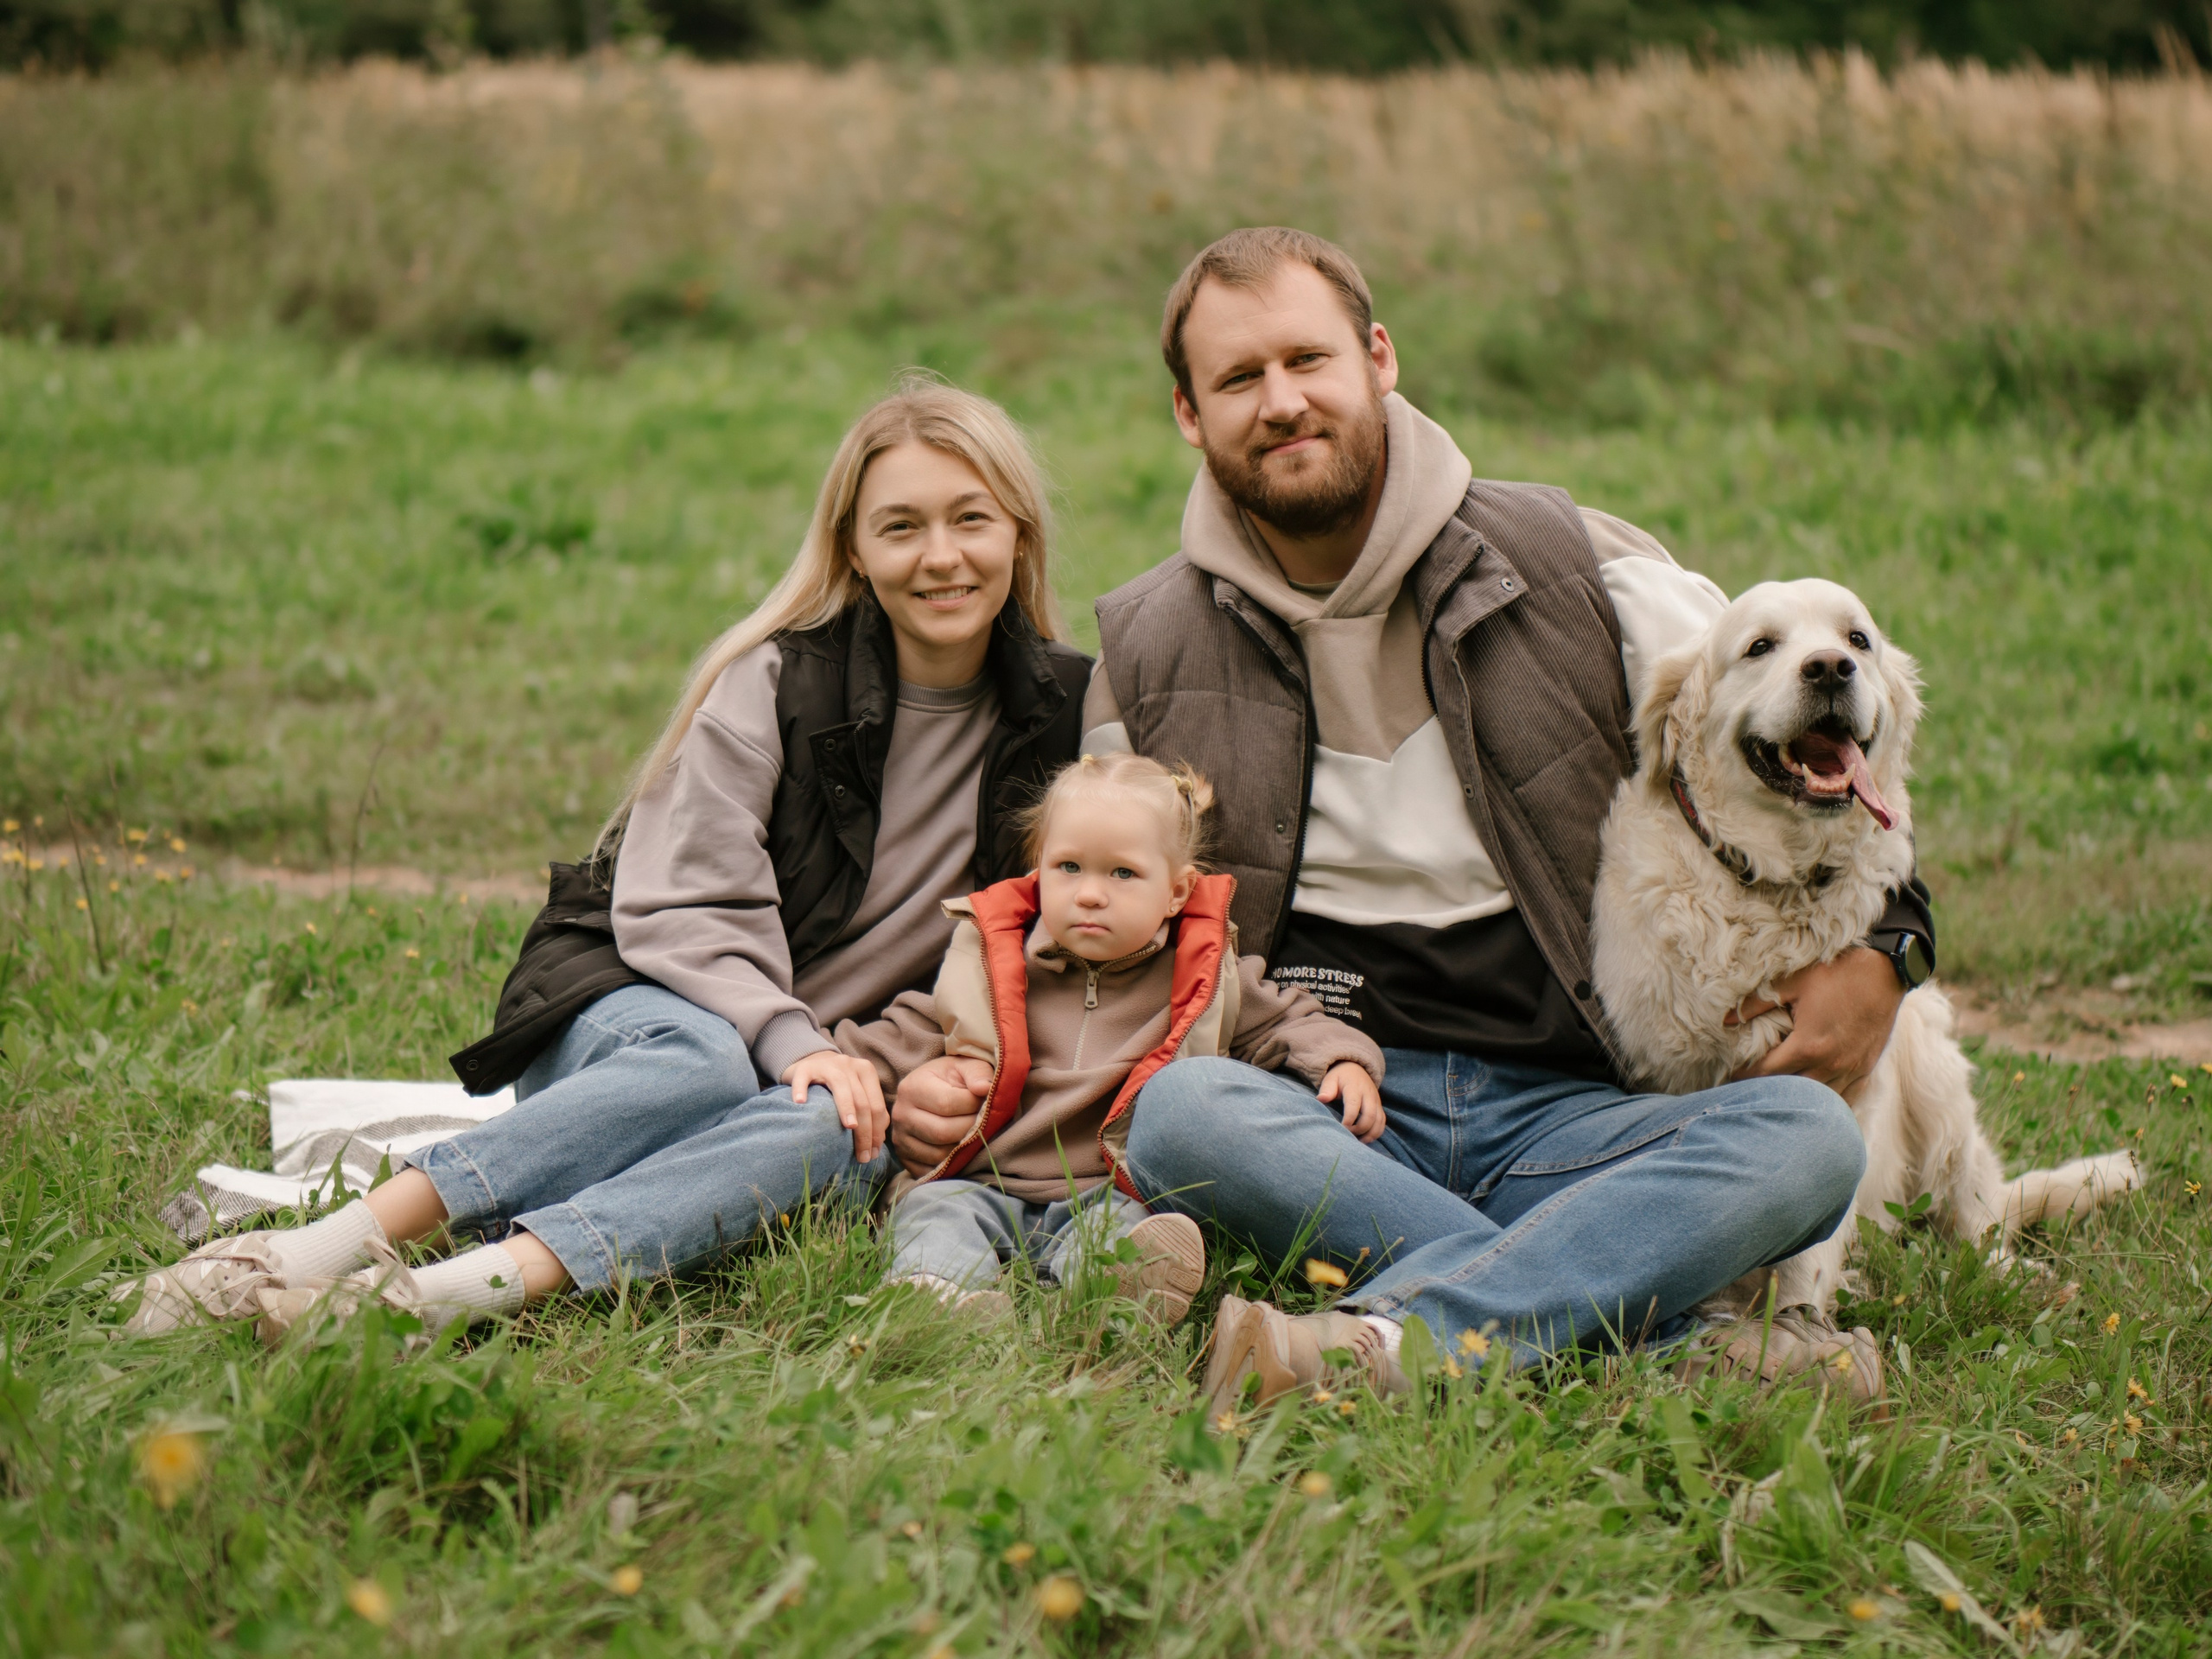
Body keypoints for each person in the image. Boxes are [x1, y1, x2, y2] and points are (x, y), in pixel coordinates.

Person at [887, 228, 1937, 1414]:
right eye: (1238, 378)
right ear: (1189, 413)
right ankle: (1641, 1327)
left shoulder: (1586, 569)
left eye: (1308, 360)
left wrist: (1891, 944)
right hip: (1329, 1114)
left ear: (1378, 358)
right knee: (1180, 1114)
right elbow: (1096, 906)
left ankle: (1395, 1335)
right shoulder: (1148, 652)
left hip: (1580, 1110)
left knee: (1804, 1137)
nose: (1282, 402)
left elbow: (1800, 748)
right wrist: (948, 1068)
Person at [115, 375, 1091, 1340]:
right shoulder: (780, 681)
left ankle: (433, 1300)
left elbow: (1024, 947)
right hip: (650, 1006)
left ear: (1018, 532)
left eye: (971, 518)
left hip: (822, 1068)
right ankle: (308, 1252)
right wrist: (797, 1044)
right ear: (854, 551)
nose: (941, 556)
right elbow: (685, 908)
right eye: (901, 527)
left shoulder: (1066, 719)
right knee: (707, 1064)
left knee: (847, 1130)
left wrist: (881, 1071)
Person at [837, 753, 1385, 1325]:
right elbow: (900, 1037)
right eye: (1069, 867)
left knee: (1134, 1233)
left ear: (1177, 892)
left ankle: (1097, 1306)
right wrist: (832, 1059)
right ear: (1039, 869)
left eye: (1122, 874)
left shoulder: (1206, 978)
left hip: (1109, 1192)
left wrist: (1340, 1061)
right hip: (986, 1182)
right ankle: (940, 1297)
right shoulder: (992, 966)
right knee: (931, 1209)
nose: (1091, 894)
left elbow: (1288, 1021)